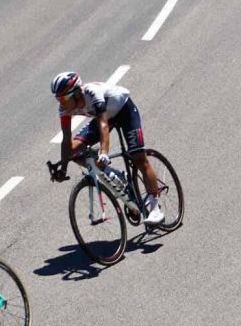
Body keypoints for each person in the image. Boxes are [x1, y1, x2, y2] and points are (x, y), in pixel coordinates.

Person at [50, 72, 165, 226]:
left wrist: (104, 153)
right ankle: (118, 176)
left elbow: (103, 124)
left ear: (77, 93)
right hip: (103, 117)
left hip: (124, 110)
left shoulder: (92, 93)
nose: (62, 103)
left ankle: (155, 208)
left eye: (64, 99)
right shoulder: (64, 109)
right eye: (58, 99)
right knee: (72, 152)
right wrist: (63, 168)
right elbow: (66, 140)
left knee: (138, 158)